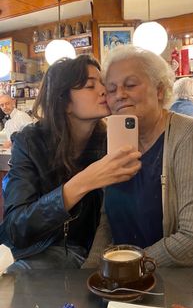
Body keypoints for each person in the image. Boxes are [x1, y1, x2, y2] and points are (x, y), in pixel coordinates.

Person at [85, 45, 193, 273]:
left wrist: (122, 270)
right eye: (111, 89)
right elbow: (108, 222)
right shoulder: (116, 143)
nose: (119, 95)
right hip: (135, 281)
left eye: (130, 85)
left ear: (159, 89)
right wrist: (90, 272)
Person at [0, 55, 141, 273]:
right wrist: (82, 183)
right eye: (89, 86)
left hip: (100, 253)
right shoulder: (30, 143)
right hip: (45, 252)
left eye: (102, 82)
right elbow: (15, 228)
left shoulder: (109, 142)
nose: (104, 90)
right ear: (64, 102)